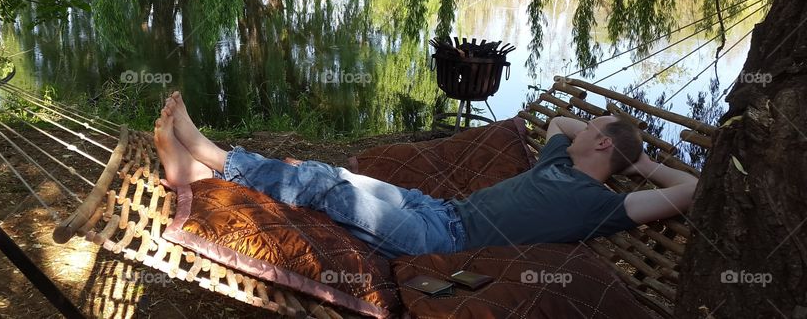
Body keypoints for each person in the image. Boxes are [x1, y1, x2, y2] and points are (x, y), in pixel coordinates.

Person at [153, 92, 699, 259]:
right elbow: (559, 120)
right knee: (327, 169)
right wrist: (608, 141)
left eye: (595, 127)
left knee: (330, 190)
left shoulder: (601, 207)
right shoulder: (559, 158)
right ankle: (197, 169)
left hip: (439, 242)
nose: (581, 128)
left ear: (600, 143)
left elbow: (694, 190)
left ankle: (208, 155)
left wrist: (640, 162)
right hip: (435, 208)